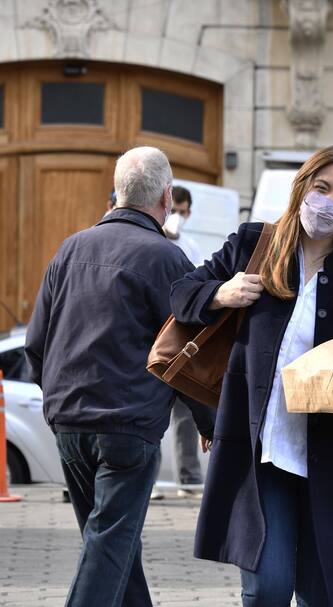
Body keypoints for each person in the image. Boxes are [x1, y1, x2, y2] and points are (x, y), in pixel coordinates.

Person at [170, 145, 333, 606]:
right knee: (268, 589)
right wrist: (221, 293)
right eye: (322, 188)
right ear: (302, 188)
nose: (328, 202)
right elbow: (180, 294)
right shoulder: (254, 246)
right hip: (263, 455)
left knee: (321, 594)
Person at [25, 146, 215, 607]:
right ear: (167, 197)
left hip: (69, 423)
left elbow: (36, 342)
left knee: (110, 543)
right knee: (109, 544)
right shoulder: (166, 258)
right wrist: (210, 421)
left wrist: (58, 402)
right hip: (128, 424)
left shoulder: (70, 248)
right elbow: (190, 351)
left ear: (118, 192)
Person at [153, 184, 205, 500]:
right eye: (175, 211)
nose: (178, 217)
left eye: (183, 213)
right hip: (155, 338)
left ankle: (189, 480)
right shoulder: (152, 240)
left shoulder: (191, 246)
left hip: (182, 338)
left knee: (186, 415)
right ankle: (150, 480)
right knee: (152, 412)